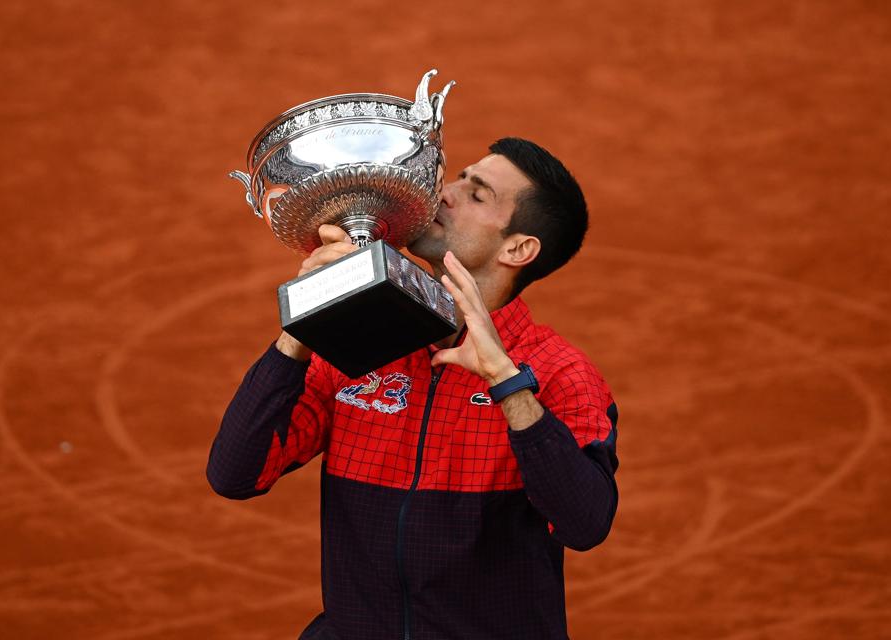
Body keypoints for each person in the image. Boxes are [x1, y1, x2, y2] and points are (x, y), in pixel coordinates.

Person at [207, 137, 619, 640]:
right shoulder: (359, 341)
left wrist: (508, 386)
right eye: (458, 178)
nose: (445, 192)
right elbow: (235, 474)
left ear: (518, 247)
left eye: (477, 194)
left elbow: (585, 524)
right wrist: (305, 324)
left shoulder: (559, 373)